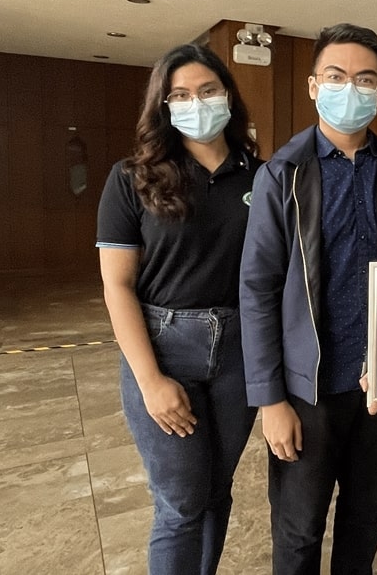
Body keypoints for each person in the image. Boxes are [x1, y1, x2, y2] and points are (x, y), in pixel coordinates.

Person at [239, 23, 377, 575]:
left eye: (365, 79)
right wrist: (270, 400)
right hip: (307, 390)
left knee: (366, 517)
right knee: (298, 529)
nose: (352, 88)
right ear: (313, 85)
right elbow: (257, 289)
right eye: (337, 76)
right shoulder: (283, 174)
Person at [97, 43, 259, 574]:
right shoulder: (132, 178)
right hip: (165, 347)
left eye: (208, 91)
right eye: (181, 95)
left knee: (217, 491)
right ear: (163, 106)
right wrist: (150, 381)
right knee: (181, 503)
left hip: (239, 348)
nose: (197, 103)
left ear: (229, 96)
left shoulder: (262, 177)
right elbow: (118, 287)